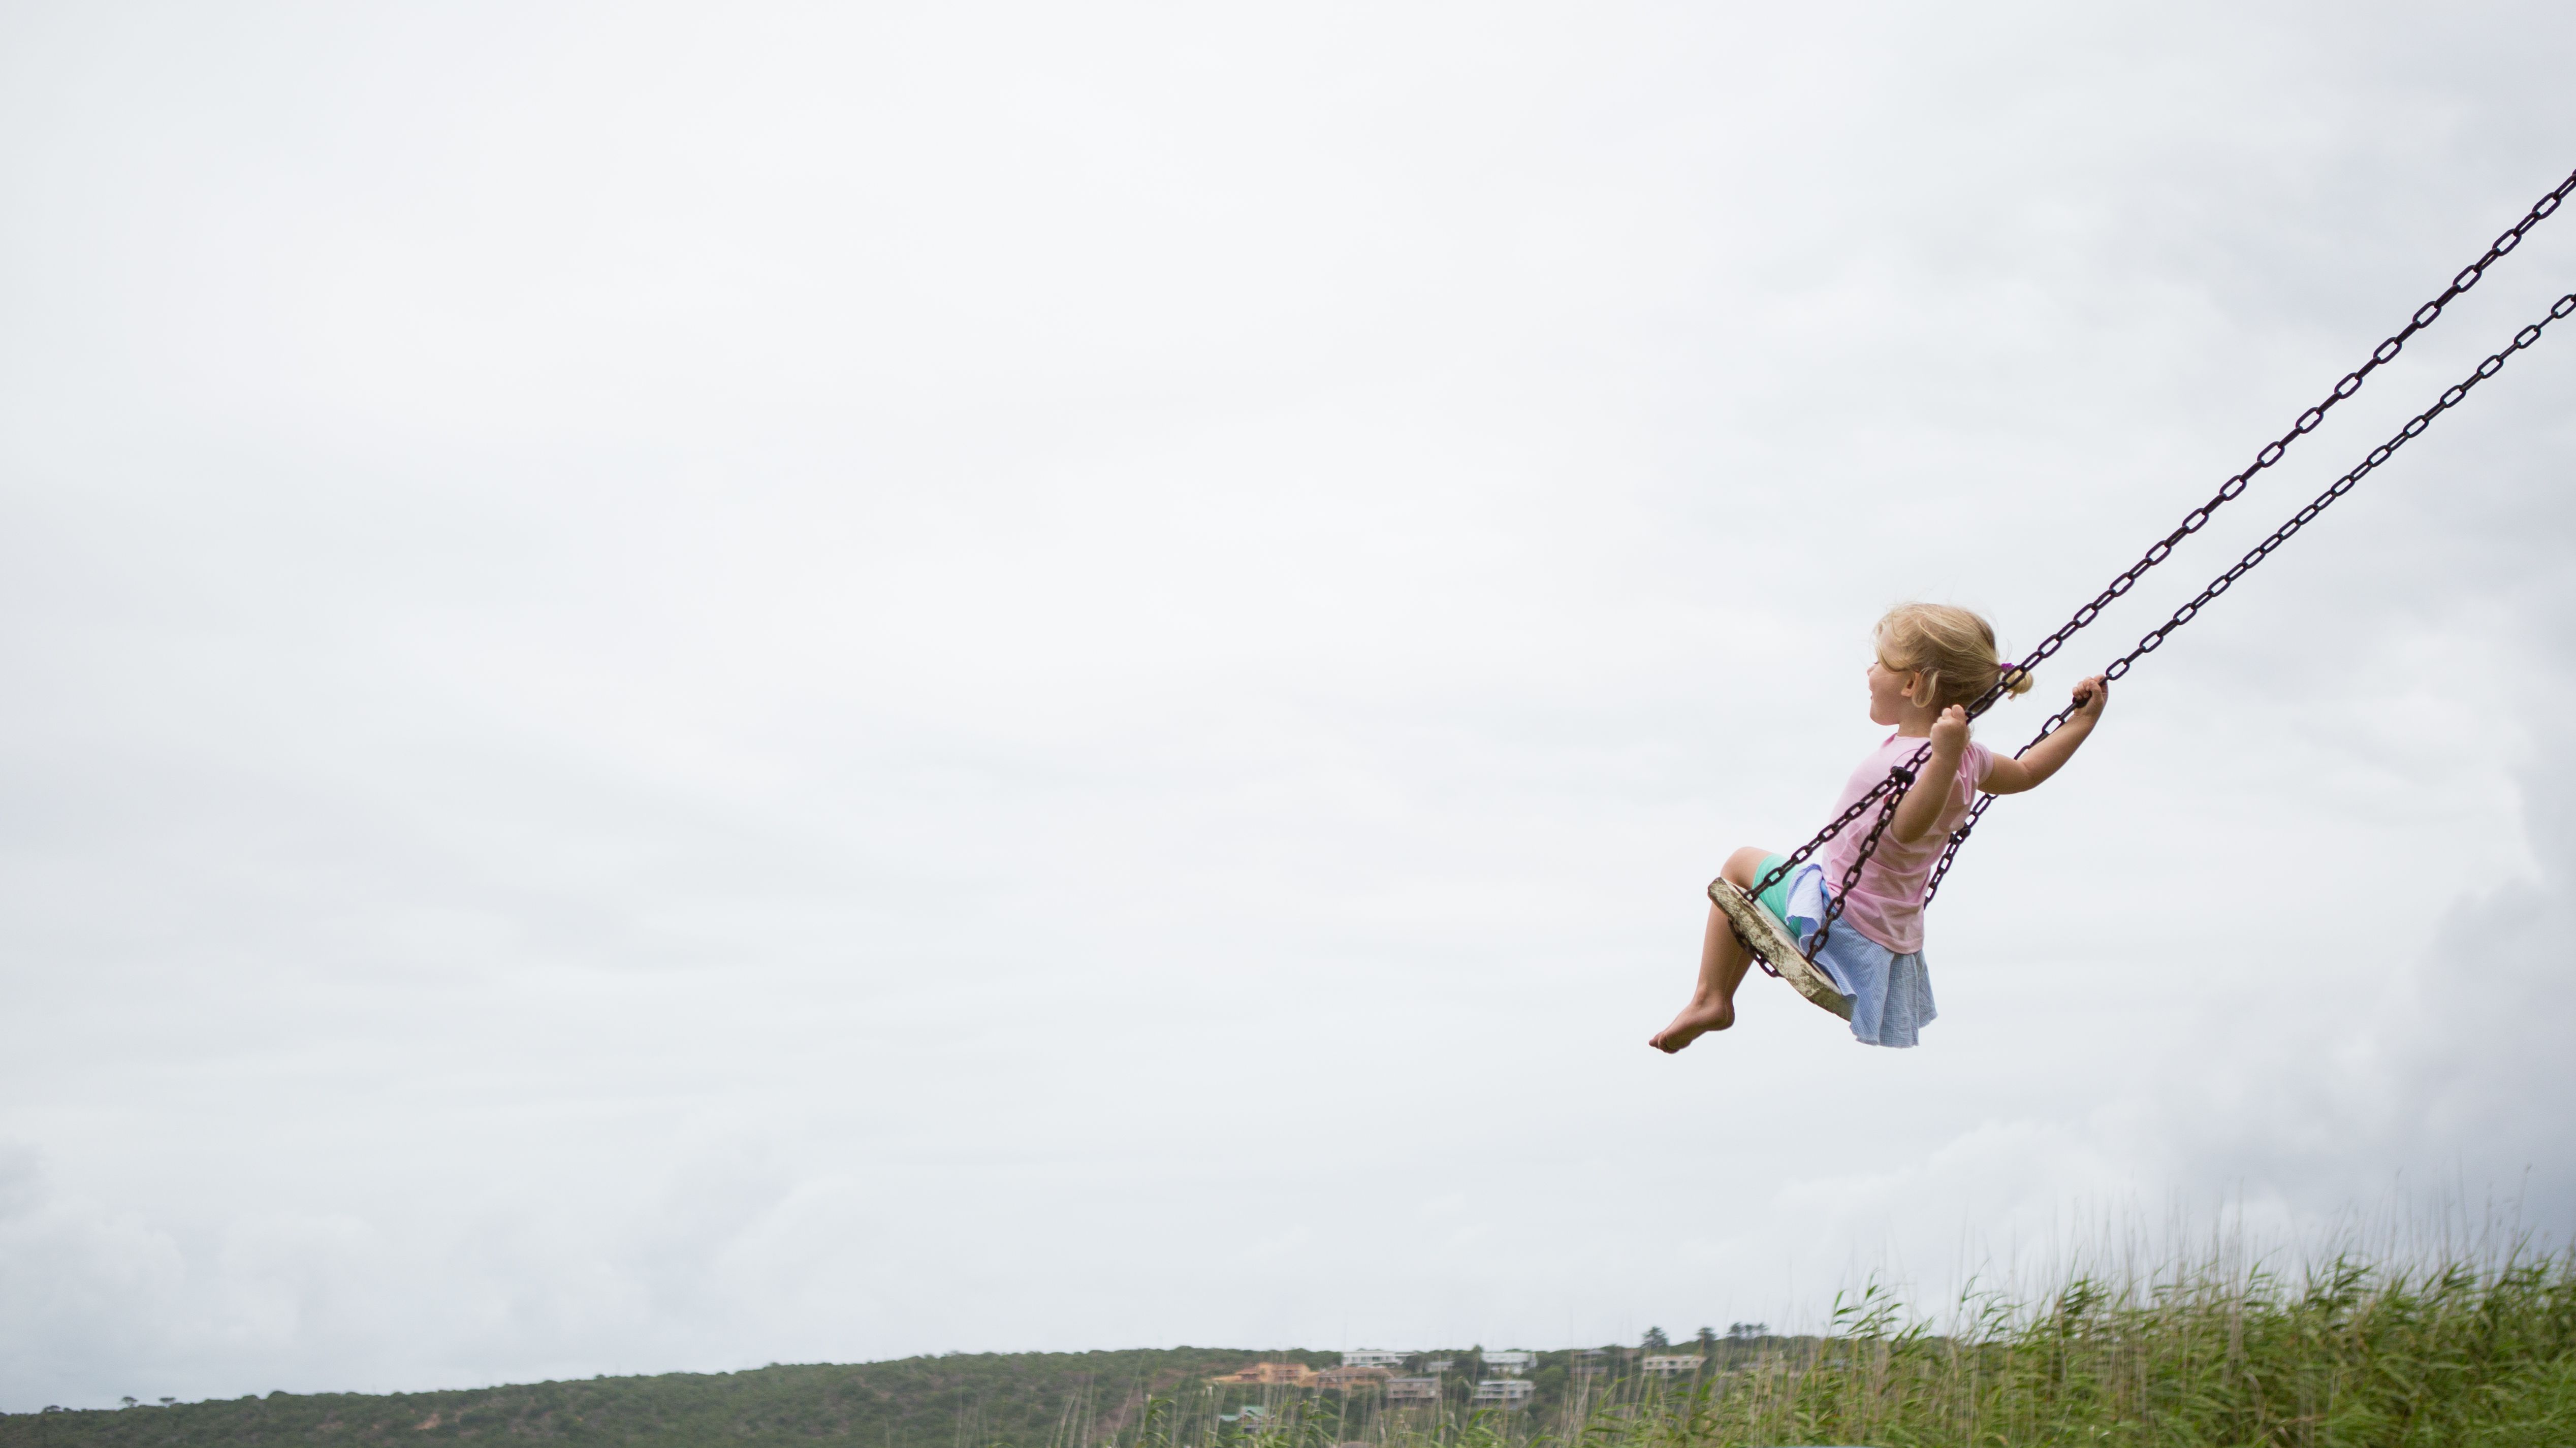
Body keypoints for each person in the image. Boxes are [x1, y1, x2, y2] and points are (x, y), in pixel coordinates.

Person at [1649, 603, 2109, 1052]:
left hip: (1842, 921)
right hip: (1882, 932)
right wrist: (2082, 722)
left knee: (1739, 863)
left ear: (1911, 683)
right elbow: (2026, 772)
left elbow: (1908, 827)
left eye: (1879, 661)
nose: (1869, 671)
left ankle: (1710, 998)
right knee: (1753, 891)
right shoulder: (1969, 758)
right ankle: (1714, 1000)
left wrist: (1945, 756)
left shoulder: (1937, 760)